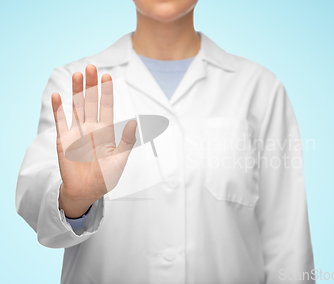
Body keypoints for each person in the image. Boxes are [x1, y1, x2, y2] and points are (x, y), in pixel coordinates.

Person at [16, 0, 315, 283]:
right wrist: (75, 199)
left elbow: (288, 241)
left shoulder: (259, 89)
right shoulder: (77, 83)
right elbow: (37, 204)